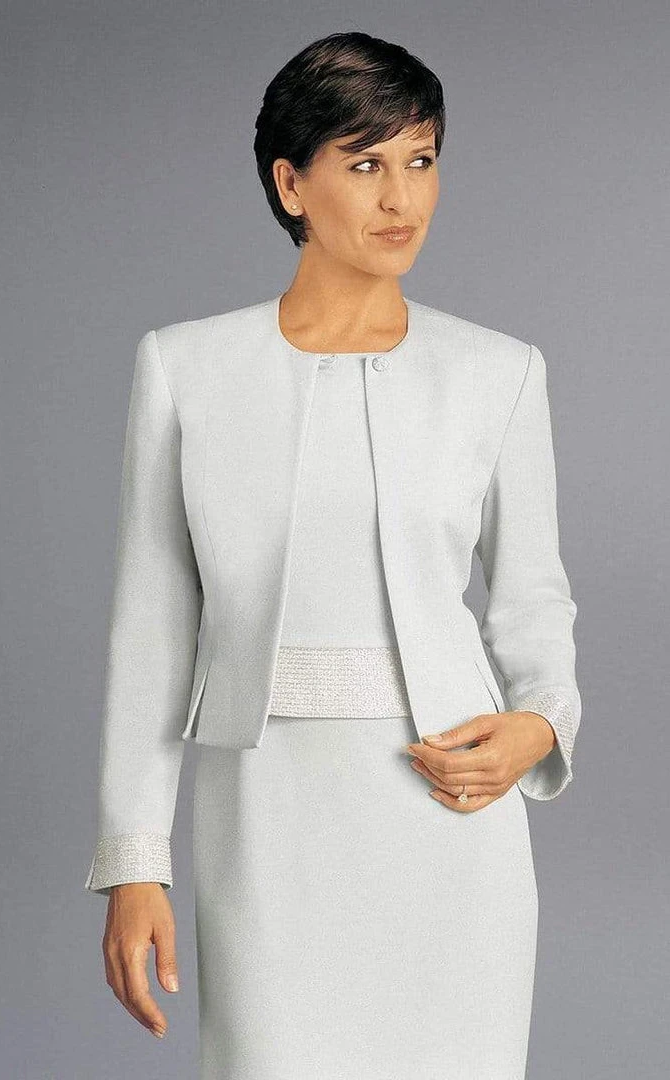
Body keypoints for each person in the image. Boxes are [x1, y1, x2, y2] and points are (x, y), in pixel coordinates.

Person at [84, 31, 582, 1079]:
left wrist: (539, 723)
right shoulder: (185, 368)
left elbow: (532, 605)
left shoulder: (498, 372)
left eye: (420, 159)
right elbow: (153, 628)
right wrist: (135, 863)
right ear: (290, 185)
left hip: (454, 818)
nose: (402, 198)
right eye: (364, 164)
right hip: (268, 822)